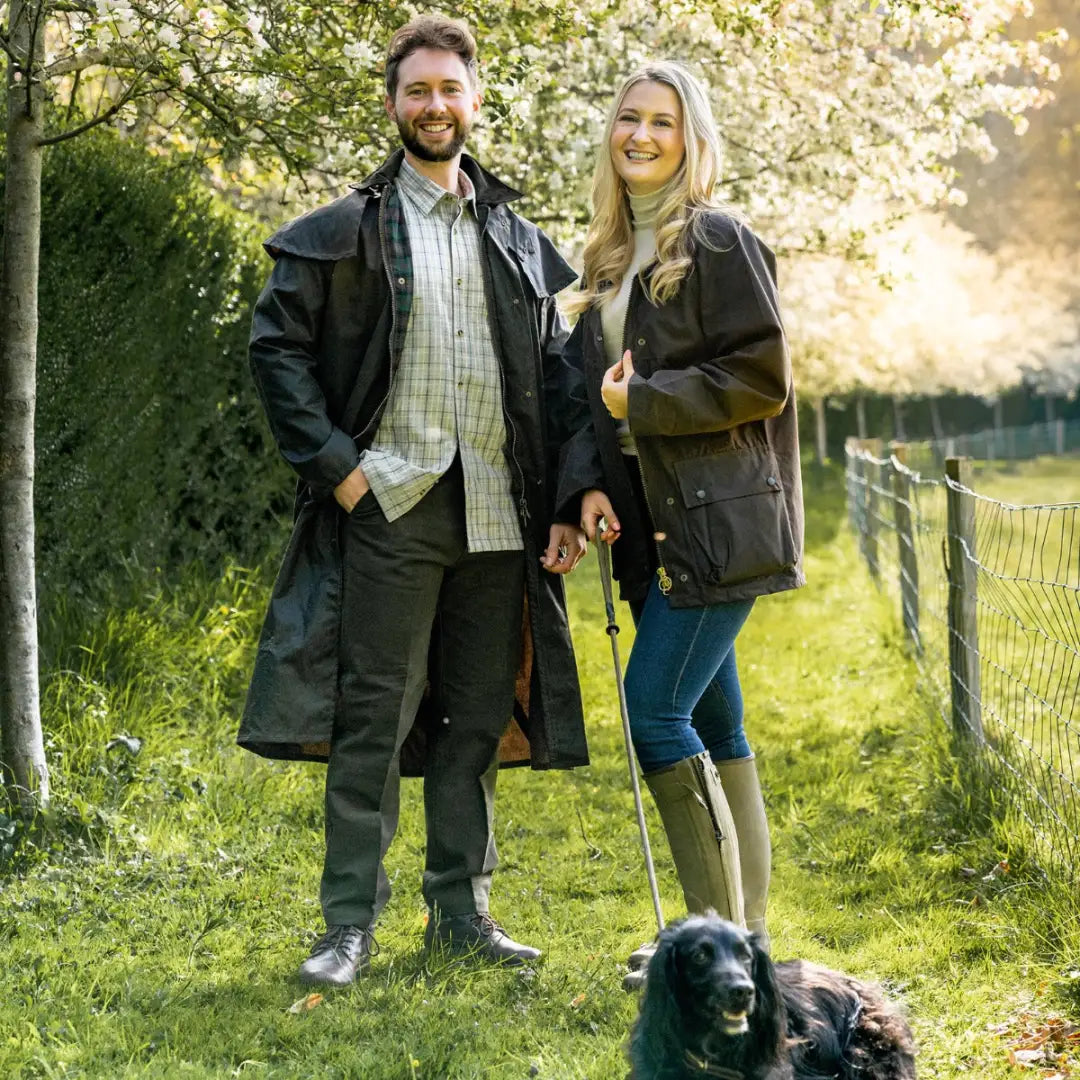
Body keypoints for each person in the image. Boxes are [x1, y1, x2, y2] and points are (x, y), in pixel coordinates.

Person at [238, 14, 590, 987]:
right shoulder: (350, 231)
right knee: (374, 722)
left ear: (476, 100)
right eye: (416, 91)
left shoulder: (515, 239)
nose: (435, 106)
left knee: (475, 723)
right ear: (394, 105)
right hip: (391, 506)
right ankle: (347, 928)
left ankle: (460, 918)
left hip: (499, 518)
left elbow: (561, 381)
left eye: (449, 90)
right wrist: (340, 470)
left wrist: (568, 498)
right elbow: (276, 352)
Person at [556, 61, 805, 988]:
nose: (642, 136)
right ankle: (745, 938)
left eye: (662, 121)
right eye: (629, 118)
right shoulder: (609, 258)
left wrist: (647, 403)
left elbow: (761, 377)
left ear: (690, 138)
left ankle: (712, 951)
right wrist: (589, 483)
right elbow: (593, 402)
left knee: (653, 710)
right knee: (713, 717)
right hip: (655, 526)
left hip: (719, 526)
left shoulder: (720, 242)